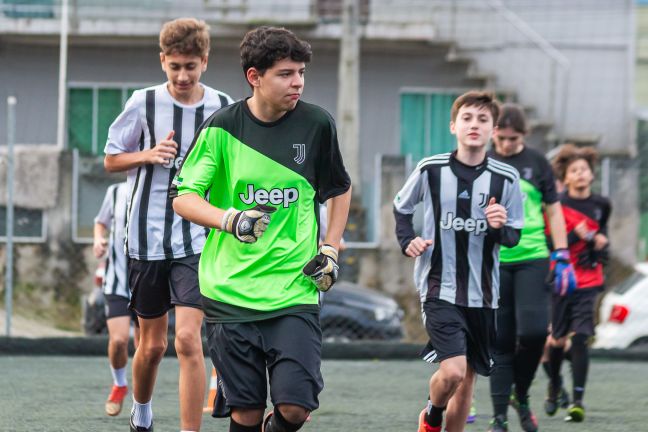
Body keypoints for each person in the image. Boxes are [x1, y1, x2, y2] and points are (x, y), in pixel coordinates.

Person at [171, 26, 351, 432]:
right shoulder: (221, 128)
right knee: (246, 413)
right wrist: (230, 219)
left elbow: (340, 188)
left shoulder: (317, 124)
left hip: (293, 291)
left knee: (295, 408)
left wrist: (331, 248)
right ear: (255, 77)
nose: (298, 82)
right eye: (286, 73)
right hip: (230, 291)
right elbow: (184, 197)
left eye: (301, 72)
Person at [103, 18, 233, 432]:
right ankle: (141, 411)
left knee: (189, 340)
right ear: (162, 61)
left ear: (205, 62)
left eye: (190, 66)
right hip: (146, 240)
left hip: (196, 239)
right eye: (174, 65)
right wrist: (148, 154)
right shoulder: (142, 103)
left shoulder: (221, 106)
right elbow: (109, 159)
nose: (182, 75)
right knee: (153, 345)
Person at [393, 91, 525, 432]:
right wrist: (408, 240)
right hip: (439, 287)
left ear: (493, 128)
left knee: (466, 380)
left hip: (483, 294)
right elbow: (402, 208)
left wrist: (498, 226)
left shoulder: (506, 178)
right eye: (467, 118)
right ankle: (432, 416)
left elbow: (512, 237)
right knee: (452, 370)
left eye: (482, 119)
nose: (474, 125)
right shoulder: (431, 169)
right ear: (454, 125)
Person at [486, 104, 572, 432]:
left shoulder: (537, 163)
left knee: (535, 333)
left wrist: (561, 253)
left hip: (533, 256)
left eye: (514, 137)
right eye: (502, 136)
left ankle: (520, 395)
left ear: (525, 135)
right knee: (501, 340)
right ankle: (498, 418)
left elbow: (553, 210)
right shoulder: (484, 160)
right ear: (494, 132)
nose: (507, 143)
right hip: (493, 259)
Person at [544, 144, 611, 423]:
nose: (581, 174)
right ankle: (555, 384)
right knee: (556, 341)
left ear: (592, 175)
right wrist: (575, 236)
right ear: (566, 177)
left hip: (589, 280)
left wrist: (599, 247)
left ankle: (579, 401)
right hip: (561, 280)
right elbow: (549, 244)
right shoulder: (556, 205)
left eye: (584, 169)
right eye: (574, 170)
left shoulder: (602, 205)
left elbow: (602, 244)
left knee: (582, 336)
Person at [94, 181, 140, 417]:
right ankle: (119, 384)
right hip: (117, 282)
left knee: (147, 349)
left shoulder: (159, 187)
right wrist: (98, 240)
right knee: (119, 340)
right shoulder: (114, 191)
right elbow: (100, 222)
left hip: (146, 281)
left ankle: (142, 399)